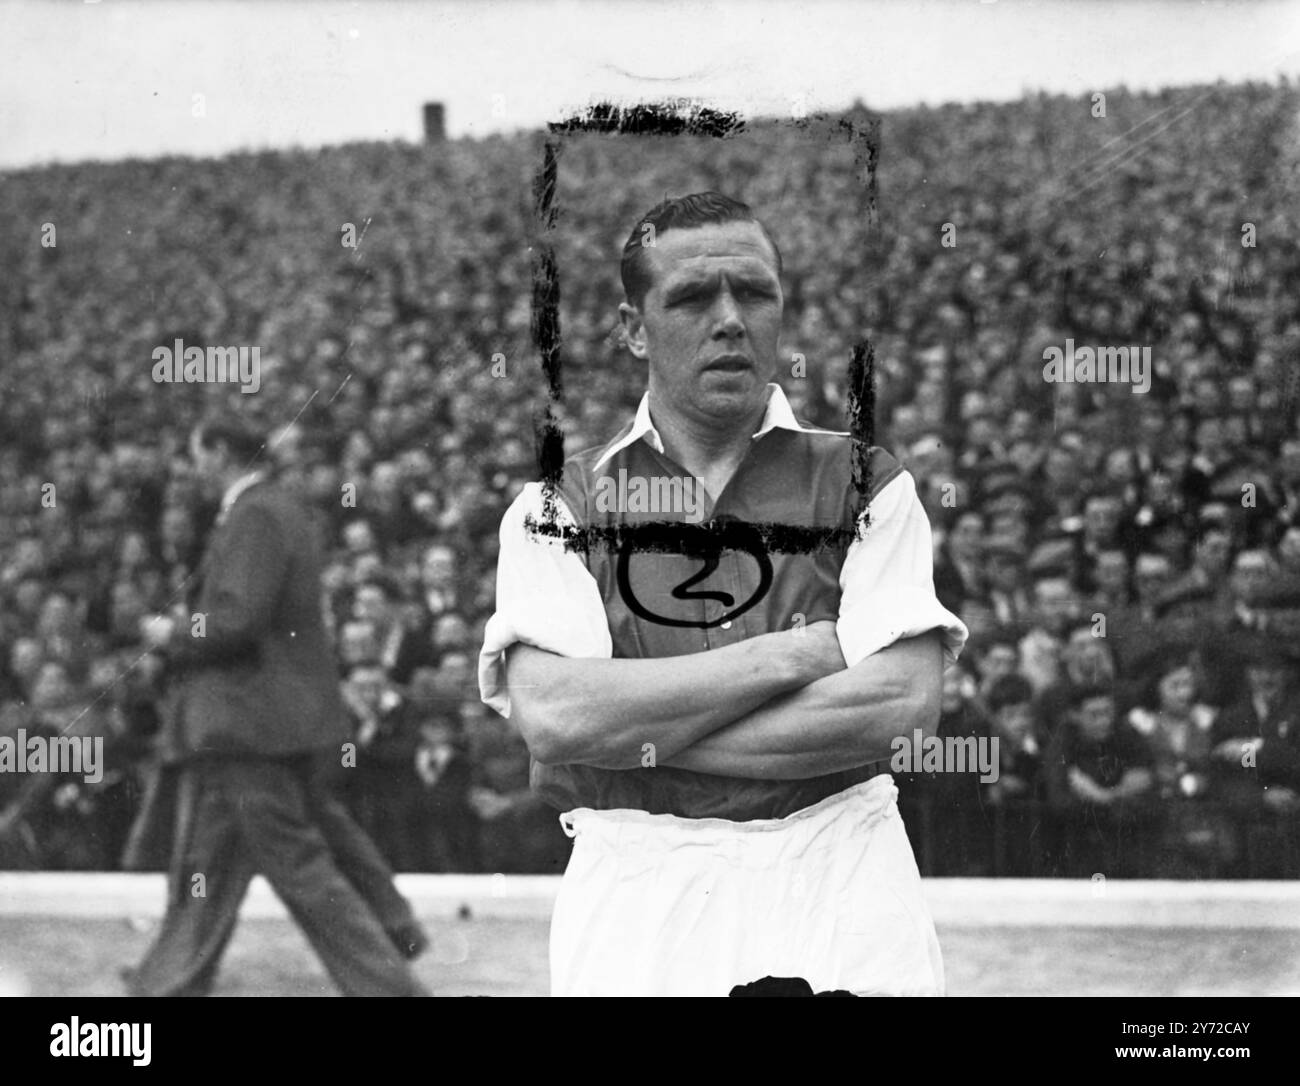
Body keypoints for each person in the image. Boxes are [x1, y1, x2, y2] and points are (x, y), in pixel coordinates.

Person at [479, 193, 966, 996]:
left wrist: (634, 729)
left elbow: (900, 707)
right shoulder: (556, 508)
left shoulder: (866, 483)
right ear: (634, 327)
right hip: (641, 886)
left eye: (755, 293)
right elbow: (558, 718)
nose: (731, 319)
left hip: (840, 868)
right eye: (694, 297)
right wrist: (792, 654)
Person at [127, 413, 427, 997]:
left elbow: (238, 618)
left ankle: (390, 987)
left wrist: (171, 633)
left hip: (248, 724)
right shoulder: (278, 509)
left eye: (197, 456)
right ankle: (167, 980)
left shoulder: (255, 513)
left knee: (298, 868)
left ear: (217, 450)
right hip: (264, 722)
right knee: (206, 865)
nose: (193, 471)